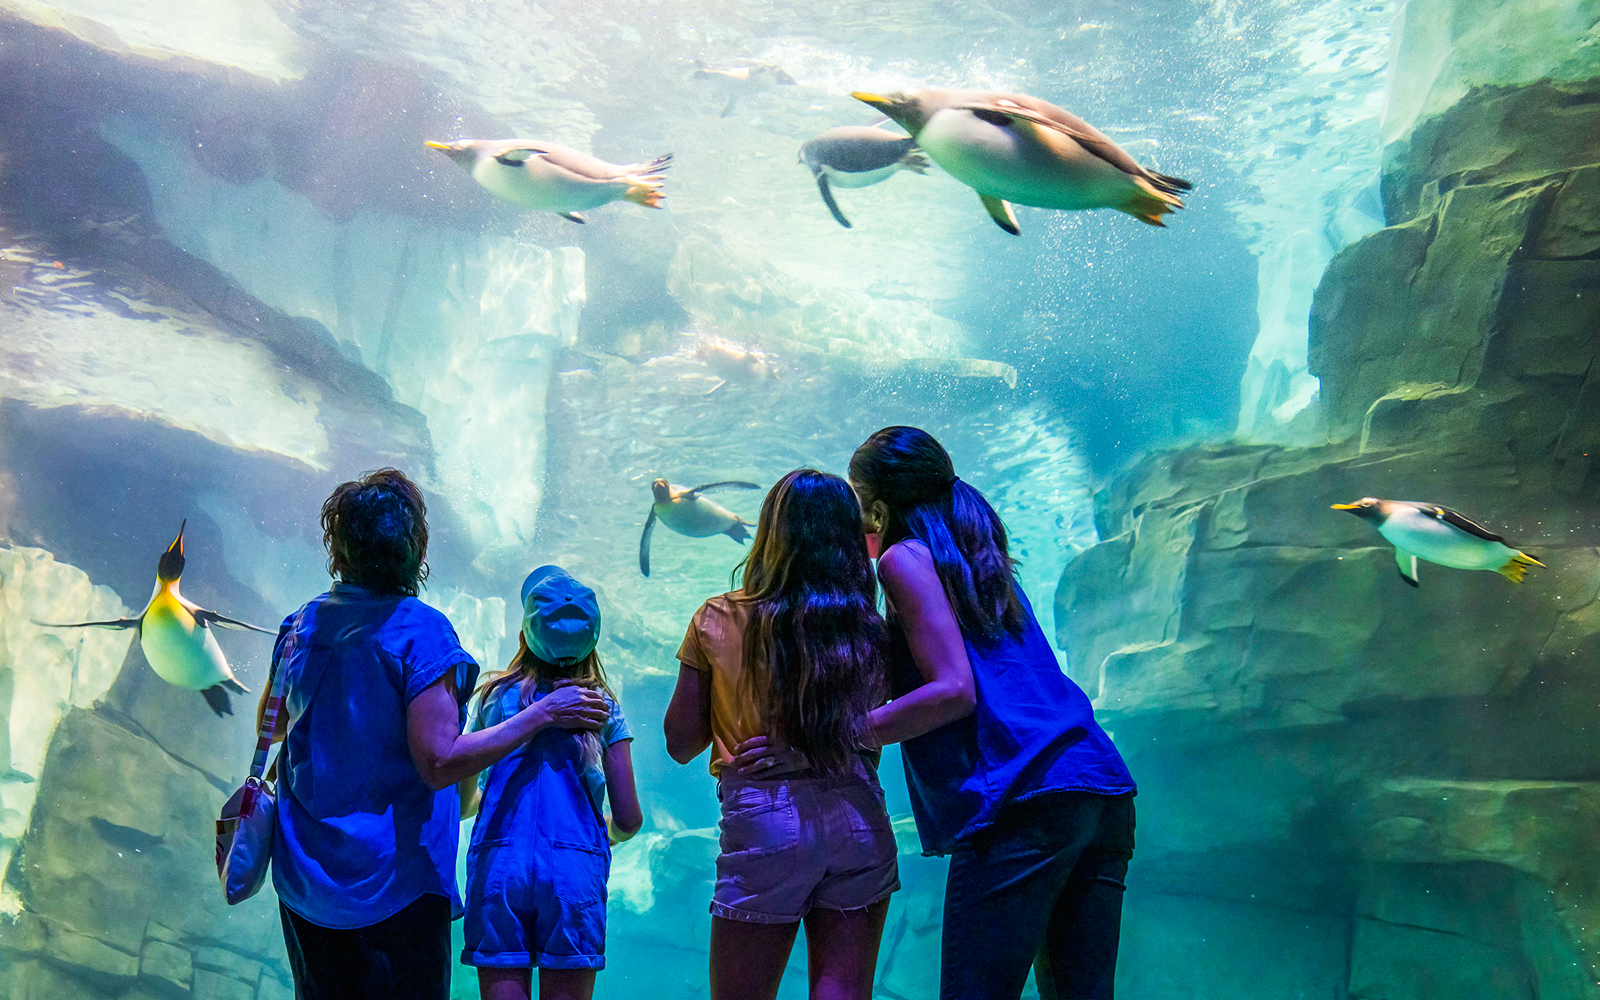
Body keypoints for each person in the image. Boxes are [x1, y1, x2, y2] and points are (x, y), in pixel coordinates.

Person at [739, 428, 1136, 1000]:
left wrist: (828, 738)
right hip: (1097, 788)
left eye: (857, 498)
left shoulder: (904, 558)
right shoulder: (981, 560)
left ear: (878, 504)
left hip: (1022, 797)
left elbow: (954, 690)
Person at [261, 469, 607, 1000]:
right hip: (394, 881)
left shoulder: (301, 625)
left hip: (306, 879)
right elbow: (439, 761)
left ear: (341, 547)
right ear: (412, 547)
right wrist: (540, 715)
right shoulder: (421, 632)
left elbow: (275, 722)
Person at [663, 469, 898, 1000]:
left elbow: (680, 743)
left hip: (766, 814)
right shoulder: (866, 625)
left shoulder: (718, 616)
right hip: (859, 814)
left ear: (770, 530)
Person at [459, 565, 643, 1000]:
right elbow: (629, 818)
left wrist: (481, 801)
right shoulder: (604, 710)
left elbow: (464, 796)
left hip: (498, 865)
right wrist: (606, 834)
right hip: (575, 866)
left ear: (524, 635)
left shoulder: (491, 699)